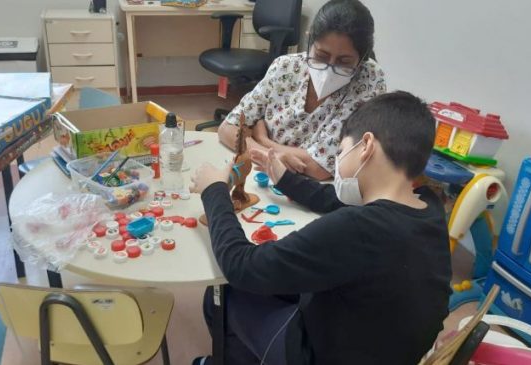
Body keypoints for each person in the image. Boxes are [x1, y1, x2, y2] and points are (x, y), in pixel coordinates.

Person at [190, 91, 452, 365]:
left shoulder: (358, 228)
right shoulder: (428, 207)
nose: (338, 164)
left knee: (222, 292)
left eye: (340, 151)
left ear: (366, 146)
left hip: (324, 354)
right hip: (383, 344)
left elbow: (241, 266)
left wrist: (214, 190)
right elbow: (337, 202)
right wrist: (285, 179)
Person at [218, 0, 387, 181]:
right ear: (309, 40)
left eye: (344, 61)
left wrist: (262, 140)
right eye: (321, 56)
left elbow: (320, 168)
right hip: (261, 176)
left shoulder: (369, 80)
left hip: (313, 191)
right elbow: (227, 128)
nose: (329, 69)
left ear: (362, 58)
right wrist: (271, 157)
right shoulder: (286, 67)